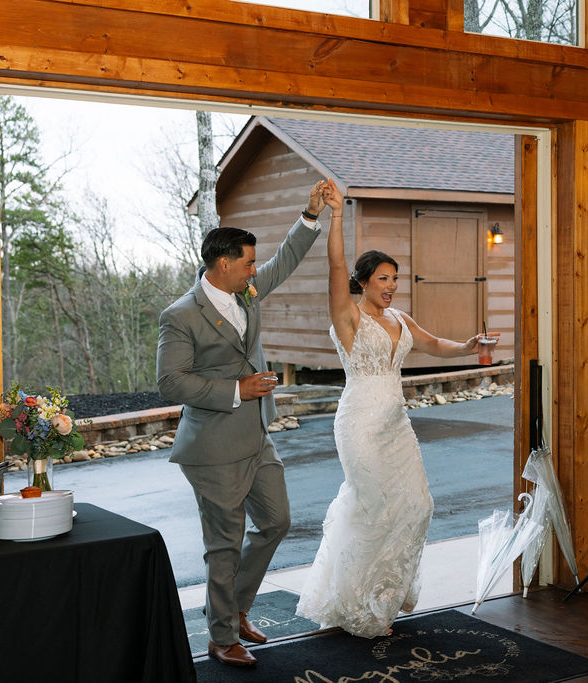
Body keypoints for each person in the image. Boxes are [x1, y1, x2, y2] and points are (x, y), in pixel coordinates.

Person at [295, 179, 478, 638]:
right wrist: (336, 215)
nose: (392, 286)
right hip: (359, 424)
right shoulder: (348, 315)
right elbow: (336, 266)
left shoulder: (398, 318)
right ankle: (355, 605)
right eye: (384, 278)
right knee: (373, 510)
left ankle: (385, 592)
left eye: (395, 278)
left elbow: (434, 343)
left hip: (396, 427)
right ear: (363, 282)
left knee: (417, 504)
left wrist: (468, 346)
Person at [156, 181, 326, 668]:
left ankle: (235, 607)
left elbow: (285, 261)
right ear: (223, 263)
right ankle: (221, 635)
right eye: (249, 262)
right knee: (224, 545)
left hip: (257, 438)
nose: (256, 269)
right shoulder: (181, 315)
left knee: (276, 522)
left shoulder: (248, 292)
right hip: (211, 448)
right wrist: (236, 391)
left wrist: (310, 214)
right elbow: (170, 382)